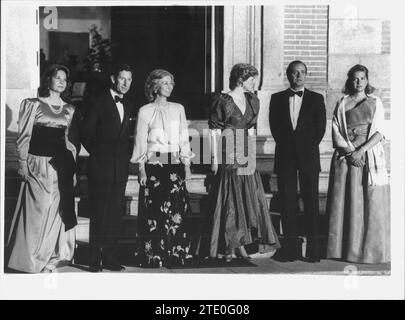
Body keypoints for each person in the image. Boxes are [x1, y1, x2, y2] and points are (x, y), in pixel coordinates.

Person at [199, 63, 280, 263]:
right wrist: (214, 160)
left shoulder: (253, 100)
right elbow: (215, 131)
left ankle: (241, 245)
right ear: (240, 80)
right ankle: (229, 247)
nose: (255, 83)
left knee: (245, 199)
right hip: (227, 150)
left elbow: (251, 130)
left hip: (245, 152)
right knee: (230, 200)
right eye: (252, 79)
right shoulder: (221, 99)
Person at [7, 64, 79, 273]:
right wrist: (22, 163)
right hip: (37, 164)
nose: (61, 81)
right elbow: (24, 136)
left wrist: (71, 169)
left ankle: (48, 256)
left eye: (64, 79)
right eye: (57, 77)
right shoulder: (32, 104)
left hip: (60, 166)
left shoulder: (69, 109)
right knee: (36, 211)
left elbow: (68, 141)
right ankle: (28, 260)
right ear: (48, 80)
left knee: (55, 212)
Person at [326, 64, 390, 264]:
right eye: (355, 78)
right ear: (349, 80)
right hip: (346, 157)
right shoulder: (342, 102)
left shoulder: (375, 102)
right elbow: (336, 130)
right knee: (346, 202)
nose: (359, 82)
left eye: (362, 78)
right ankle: (346, 250)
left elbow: (379, 131)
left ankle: (366, 251)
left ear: (367, 80)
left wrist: (361, 151)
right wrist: (350, 151)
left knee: (367, 202)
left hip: (366, 156)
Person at [131, 69, 194, 268]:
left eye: (171, 83)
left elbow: (184, 137)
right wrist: (141, 168)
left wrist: (187, 164)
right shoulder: (144, 111)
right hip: (153, 166)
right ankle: (153, 255)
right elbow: (140, 141)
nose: (170, 86)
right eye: (165, 83)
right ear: (155, 86)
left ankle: (176, 254)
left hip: (174, 163)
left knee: (176, 209)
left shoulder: (178, 108)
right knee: (154, 212)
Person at [269, 60, 326, 262]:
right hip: (285, 157)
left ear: (306, 75)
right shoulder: (276, 99)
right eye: (294, 72)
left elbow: (320, 129)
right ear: (288, 75)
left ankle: (313, 251)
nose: (298, 76)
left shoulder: (317, 99)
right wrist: (290, 147)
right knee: (287, 203)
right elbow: (275, 127)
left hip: (309, 157)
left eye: (302, 72)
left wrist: (304, 147)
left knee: (311, 203)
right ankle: (291, 250)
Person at [80, 63, 134, 272]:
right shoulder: (98, 101)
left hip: (120, 168)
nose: (126, 83)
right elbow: (86, 133)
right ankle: (94, 259)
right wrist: (100, 154)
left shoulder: (128, 104)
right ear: (113, 79)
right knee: (99, 212)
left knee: (114, 213)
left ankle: (110, 257)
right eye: (122, 78)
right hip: (100, 167)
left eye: (129, 79)